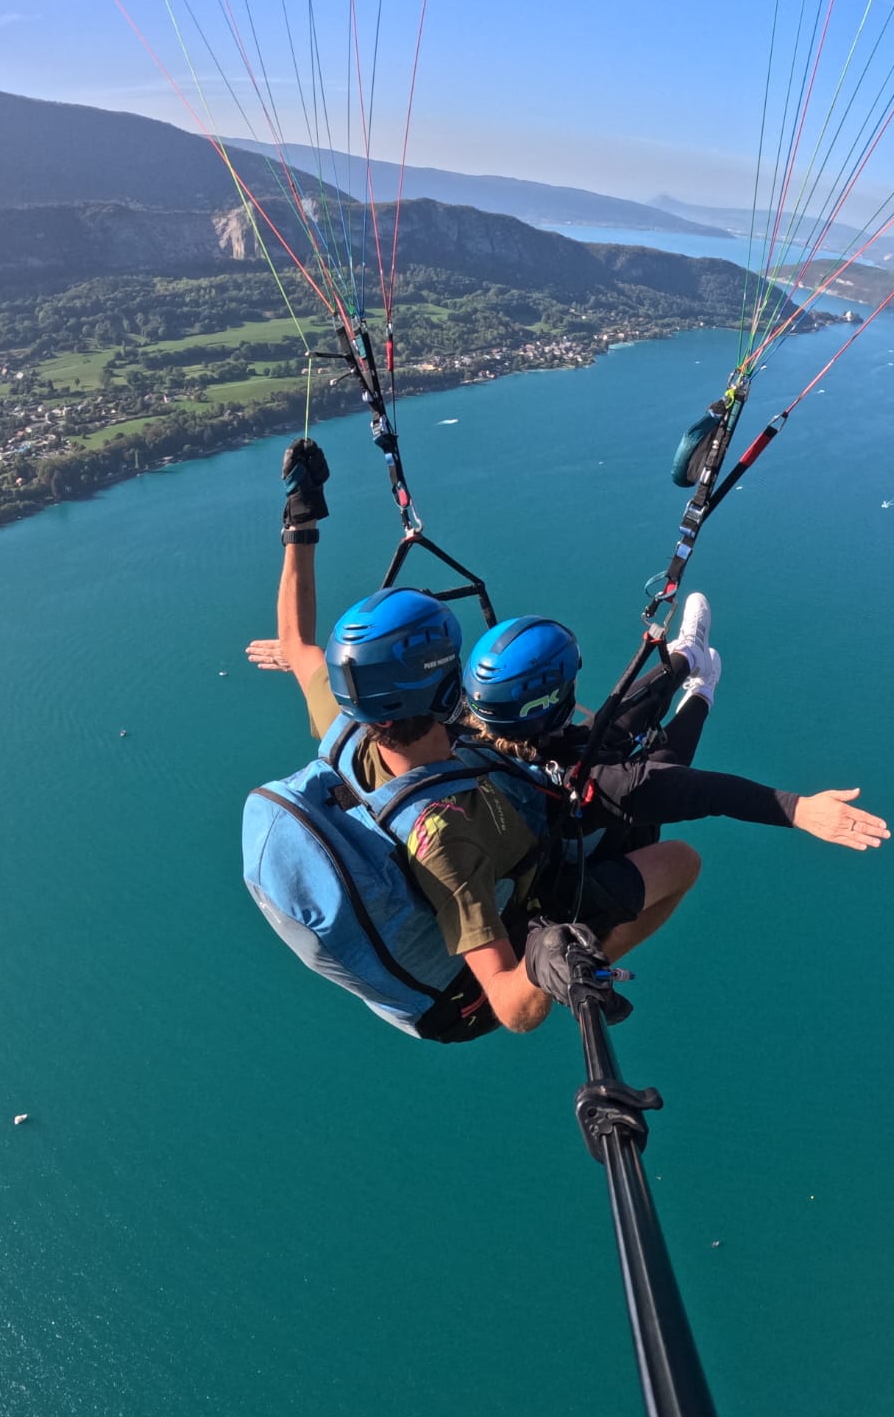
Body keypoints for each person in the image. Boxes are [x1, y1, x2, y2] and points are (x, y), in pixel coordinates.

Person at [248, 438, 659, 1035]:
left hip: (448, 839)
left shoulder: (346, 724)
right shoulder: (446, 840)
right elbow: (513, 1010)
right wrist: (547, 966)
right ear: (449, 698)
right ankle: (586, 967)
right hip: (466, 1002)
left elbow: (295, 639)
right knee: (679, 860)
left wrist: (300, 517)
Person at [454, 597, 891, 946]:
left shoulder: (472, 737)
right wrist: (797, 809)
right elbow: (703, 792)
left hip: (544, 807)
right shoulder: (601, 786)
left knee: (604, 733)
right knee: (655, 769)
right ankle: (702, 690)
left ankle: (688, 655)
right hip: (581, 868)